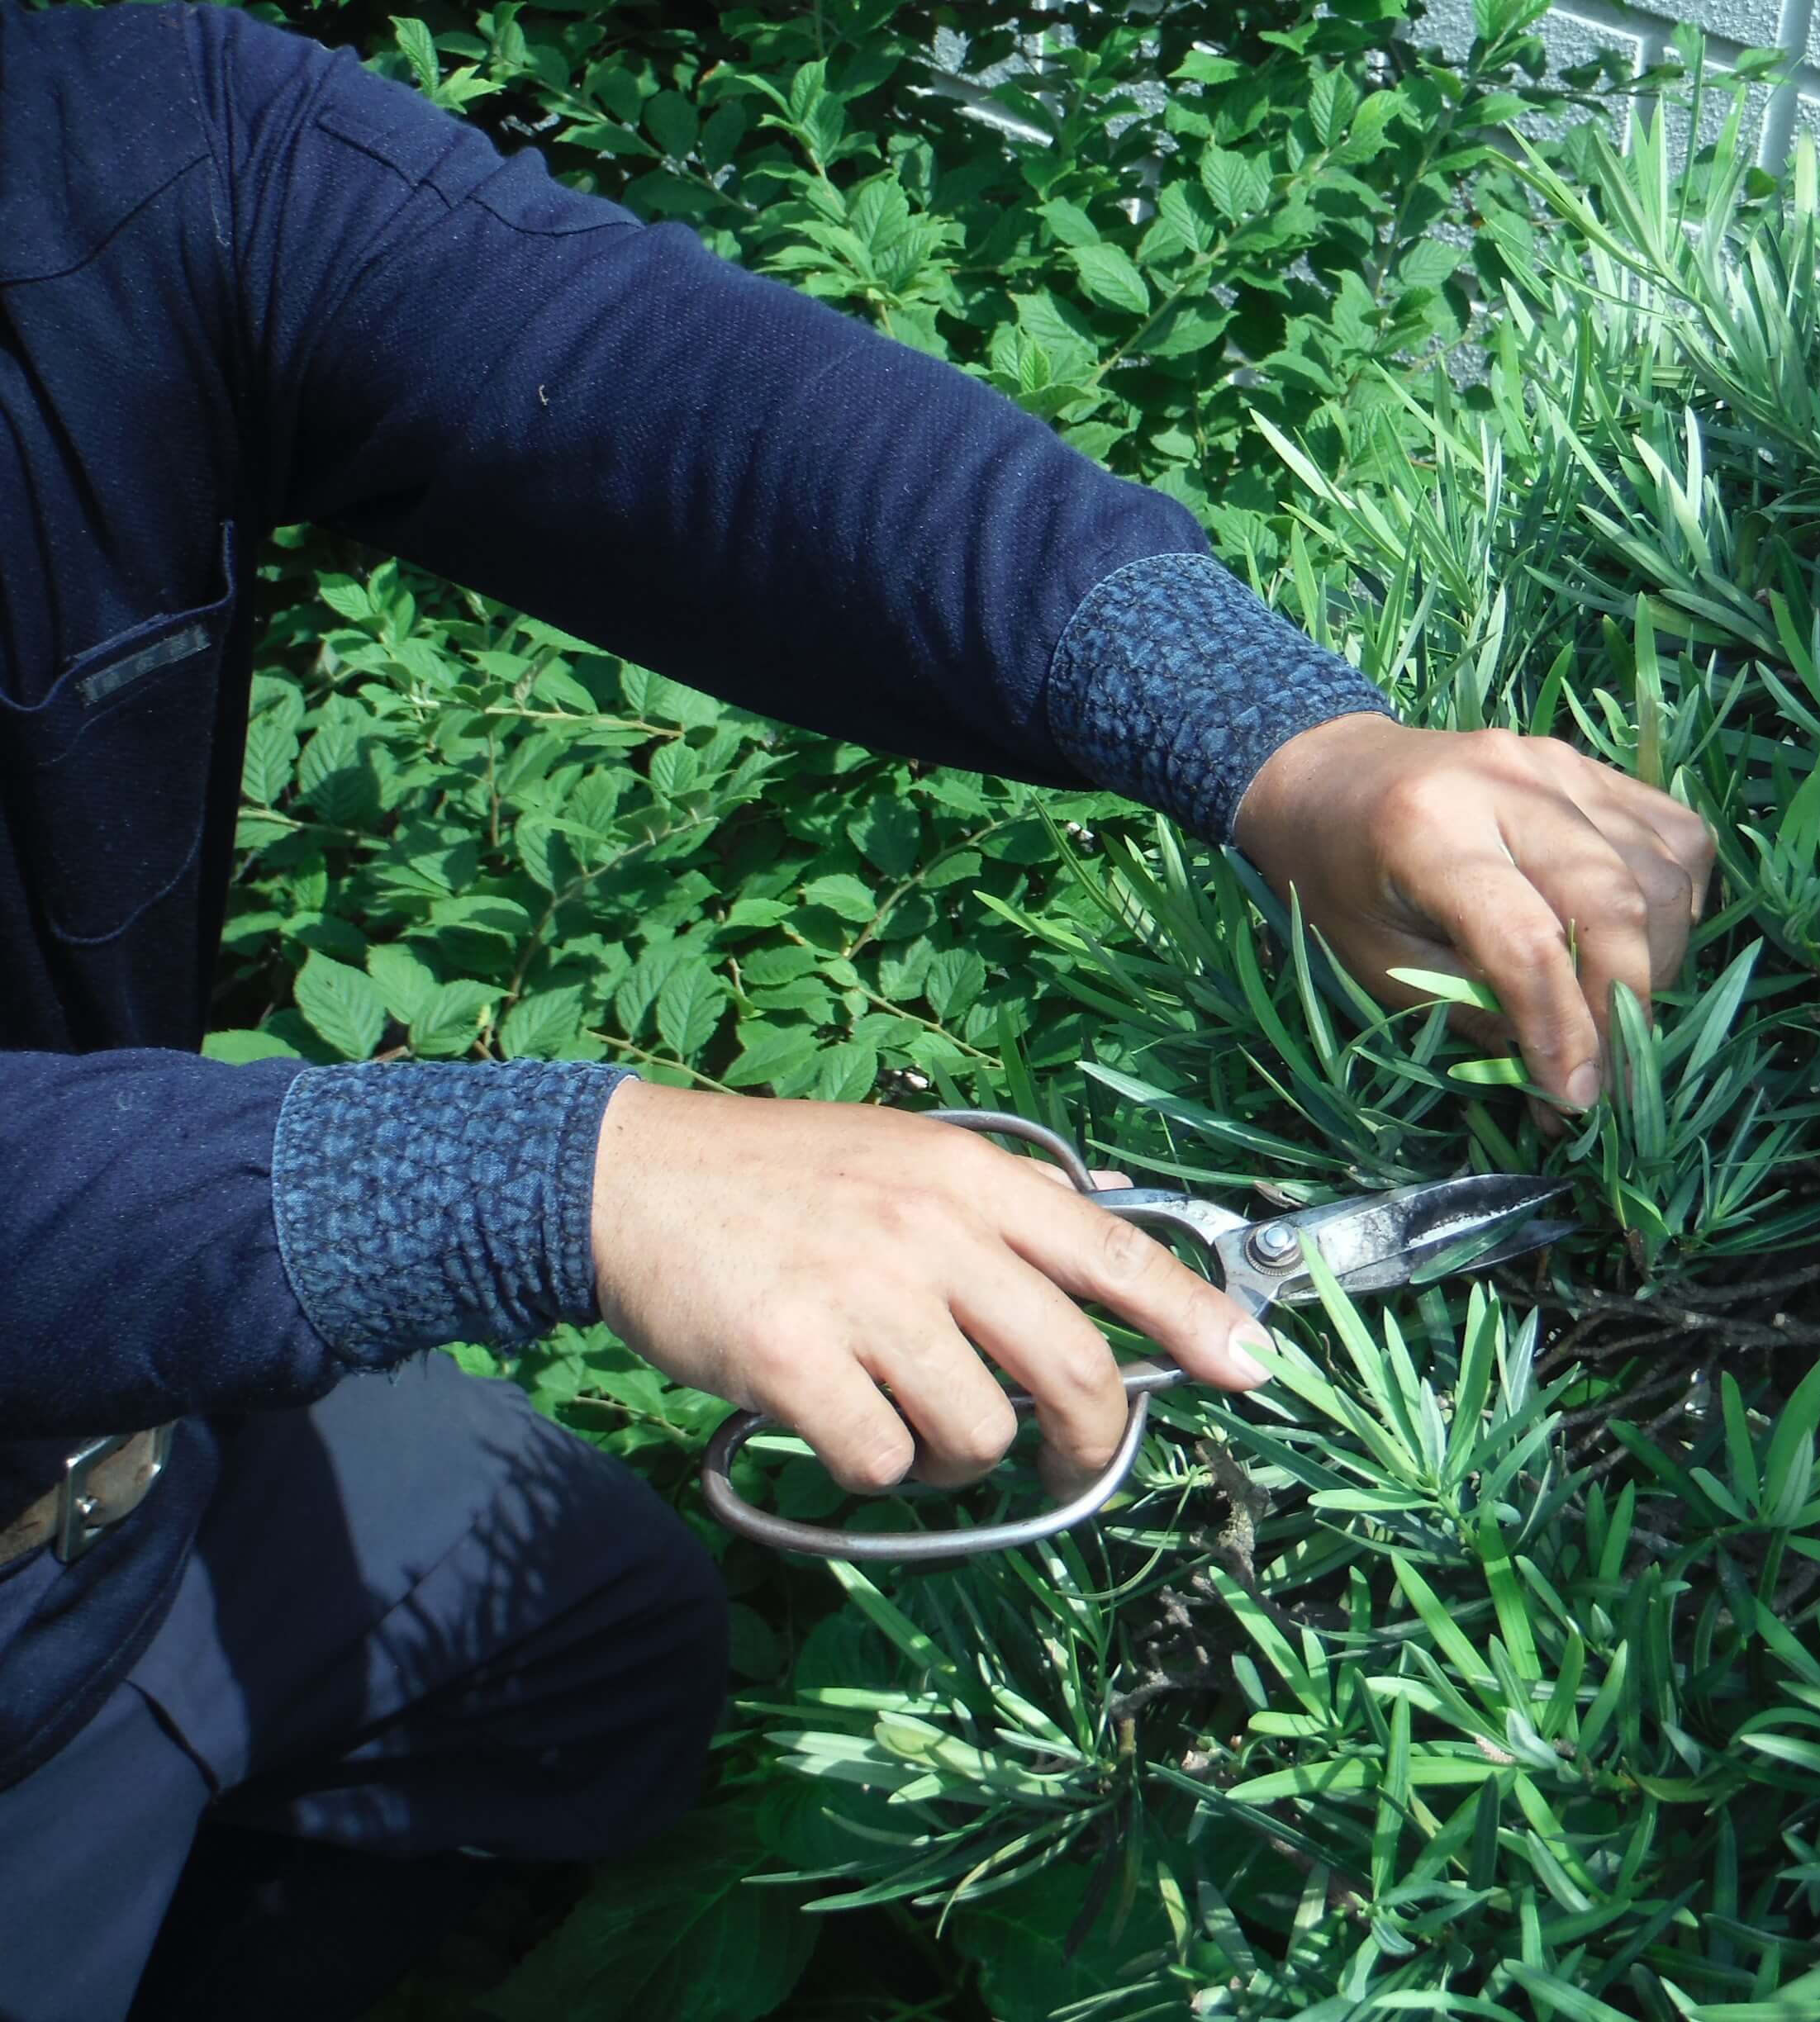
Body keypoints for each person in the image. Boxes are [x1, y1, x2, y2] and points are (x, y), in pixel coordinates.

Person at [0, 2, 1713, 2014]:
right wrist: (550, 1179)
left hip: (126, 1461)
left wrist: (1299, 750)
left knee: (606, 1638)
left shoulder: (93, 115)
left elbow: (656, 387)